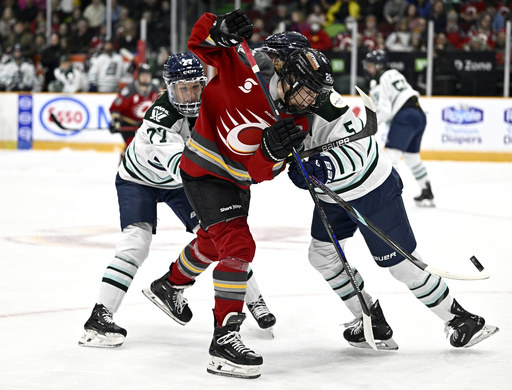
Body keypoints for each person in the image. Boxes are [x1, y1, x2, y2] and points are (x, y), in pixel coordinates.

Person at [286, 57, 498, 352]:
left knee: (402, 266)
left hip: (372, 190)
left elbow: (358, 150)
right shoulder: (277, 97)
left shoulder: (328, 102)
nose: (310, 93)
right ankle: (371, 320)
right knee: (321, 255)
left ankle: (462, 320)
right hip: (332, 195)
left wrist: (323, 168)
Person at [175, 10, 333, 378]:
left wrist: (272, 153)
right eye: (307, 89)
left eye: (316, 94)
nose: (310, 100)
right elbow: (198, 41)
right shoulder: (245, 65)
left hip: (236, 182)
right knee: (239, 246)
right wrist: (219, 30)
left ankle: (170, 284)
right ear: (290, 77)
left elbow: (260, 173)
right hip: (202, 173)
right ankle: (224, 338)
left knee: (215, 243)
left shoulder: (297, 121)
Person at [79, 52, 275, 349]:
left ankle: (254, 300)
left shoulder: (210, 103)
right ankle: (99, 318)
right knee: (136, 243)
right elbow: (189, 171)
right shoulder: (162, 122)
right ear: (169, 88)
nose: (190, 95)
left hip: (177, 180)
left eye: (194, 86)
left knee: (221, 235)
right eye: (181, 89)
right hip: (139, 181)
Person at [363, 49, 435, 207]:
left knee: (390, 157)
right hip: (419, 115)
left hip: (404, 117)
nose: (368, 68)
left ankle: (389, 195)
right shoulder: (395, 73)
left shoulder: (378, 83)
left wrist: (368, 127)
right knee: (411, 157)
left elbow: (385, 111)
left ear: (379, 65)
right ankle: (426, 190)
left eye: (371, 65)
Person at [108, 62, 160, 160]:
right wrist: (115, 120)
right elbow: (115, 107)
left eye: (147, 75)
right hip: (129, 124)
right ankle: (123, 168)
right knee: (131, 146)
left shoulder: (155, 90)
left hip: (146, 126)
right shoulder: (129, 90)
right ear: (138, 76)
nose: (145, 77)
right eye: (143, 75)